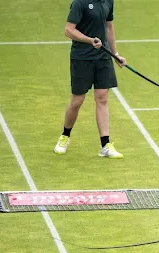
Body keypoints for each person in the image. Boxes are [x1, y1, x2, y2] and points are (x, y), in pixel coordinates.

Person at [54, 0, 126, 158]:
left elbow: (109, 27)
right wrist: (89, 40)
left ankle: (105, 145)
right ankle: (65, 136)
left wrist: (115, 54)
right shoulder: (80, 3)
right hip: (82, 57)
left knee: (102, 97)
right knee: (77, 100)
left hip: (103, 56)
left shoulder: (108, 1)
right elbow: (68, 30)